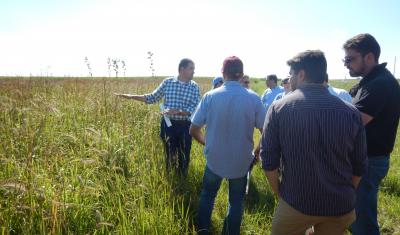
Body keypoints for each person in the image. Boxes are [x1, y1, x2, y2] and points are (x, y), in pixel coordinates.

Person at [260, 50, 368, 235]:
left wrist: (280, 194)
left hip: (296, 202)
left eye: (291, 74)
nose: (290, 79)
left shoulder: (279, 108)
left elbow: (268, 162)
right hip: (340, 205)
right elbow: (359, 165)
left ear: (301, 74)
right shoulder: (351, 113)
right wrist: (345, 193)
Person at [190, 56, 266, 235]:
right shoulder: (254, 98)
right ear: (241, 74)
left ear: (222, 73)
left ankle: (203, 230)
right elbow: (267, 132)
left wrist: (206, 143)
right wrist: (256, 151)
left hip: (214, 159)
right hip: (241, 162)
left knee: (208, 195)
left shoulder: (210, 97)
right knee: (236, 201)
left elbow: (193, 129)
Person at [343, 33, 400, 235]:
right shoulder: (369, 80)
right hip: (365, 158)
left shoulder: (380, 83)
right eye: (344, 60)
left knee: (362, 223)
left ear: (369, 57)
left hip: (369, 161)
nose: (346, 64)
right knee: (354, 216)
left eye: (350, 59)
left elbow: (351, 123)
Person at [114, 58, 201, 176]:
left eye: (193, 69)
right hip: (168, 125)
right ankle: (170, 179)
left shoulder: (194, 87)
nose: (193, 71)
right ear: (182, 69)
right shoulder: (168, 82)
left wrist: (178, 111)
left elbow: (195, 108)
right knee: (170, 154)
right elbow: (152, 97)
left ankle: (183, 179)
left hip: (185, 126)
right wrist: (131, 96)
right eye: (191, 68)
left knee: (184, 154)